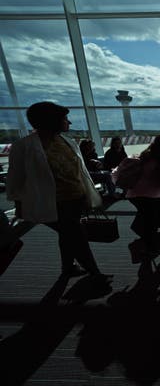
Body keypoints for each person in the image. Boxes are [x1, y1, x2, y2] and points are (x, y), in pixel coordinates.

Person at [5, 101, 112, 284]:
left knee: (68, 234)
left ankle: (68, 267)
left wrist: (86, 195)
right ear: (51, 121)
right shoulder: (24, 147)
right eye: (65, 119)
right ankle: (94, 273)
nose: (69, 123)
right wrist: (19, 204)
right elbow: (15, 178)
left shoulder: (67, 142)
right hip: (53, 202)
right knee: (76, 236)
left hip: (75, 199)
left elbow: (79, 172)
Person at [115, 134, 160, 255]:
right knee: (155, 220)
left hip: (137, 194)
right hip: (147, 195)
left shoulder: (148, 155)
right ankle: (154, 247)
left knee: (158, 218)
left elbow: (150, 174)